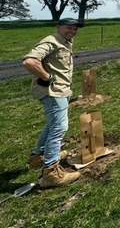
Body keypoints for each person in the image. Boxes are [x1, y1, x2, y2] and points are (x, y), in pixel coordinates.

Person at [22, 18, 83, 188]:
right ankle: (50, 172)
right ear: (58, 27)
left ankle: (38, 156)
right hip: (53, 92)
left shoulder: (65, 42)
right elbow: (30, 61)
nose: (72, 31)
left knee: (51, 124)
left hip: (61, 91)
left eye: (75, 29)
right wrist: (47, 77)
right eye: (68, 27)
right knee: (59, 128)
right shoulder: (51, 41)